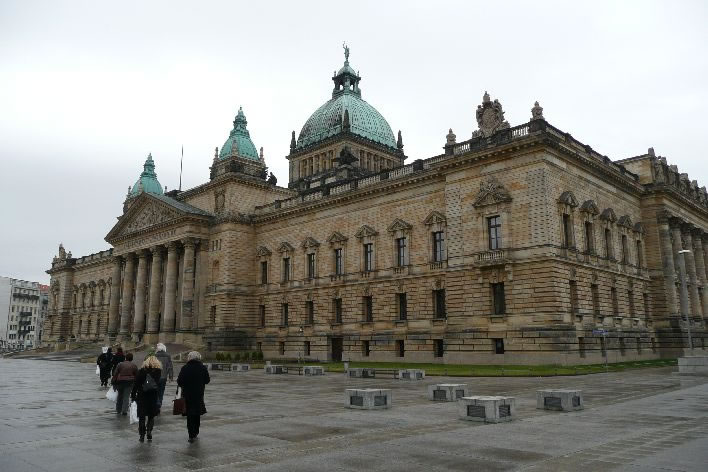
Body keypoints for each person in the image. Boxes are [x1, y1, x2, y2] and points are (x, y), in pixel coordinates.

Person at [177, 351, 210, 443]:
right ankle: (196, 432)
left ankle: (191, 434)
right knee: (197, 413)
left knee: (189, 414)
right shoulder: (202, 368)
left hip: (187, 394)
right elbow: (207, 380)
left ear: (189, 358)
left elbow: (179, 381)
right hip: (199, 394)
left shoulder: (185, 368)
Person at [131, 355, 162, 442]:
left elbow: (136, 384)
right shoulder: (158, 371)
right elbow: (158, 384)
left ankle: (142, 435)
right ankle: (149, 431)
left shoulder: (141, 371)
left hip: (142, 395)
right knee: (151, 416)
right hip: (153, 396)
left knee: (142, 416)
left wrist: (133, 395)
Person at [154, 343, 174, 412]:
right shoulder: (167, 356)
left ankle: (157, 403)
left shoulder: (154, 356)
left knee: (155, 391)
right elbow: (170, 367)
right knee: (161, 391)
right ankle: (159, 403)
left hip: (155, 377)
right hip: (163, 377)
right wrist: (170, 377)